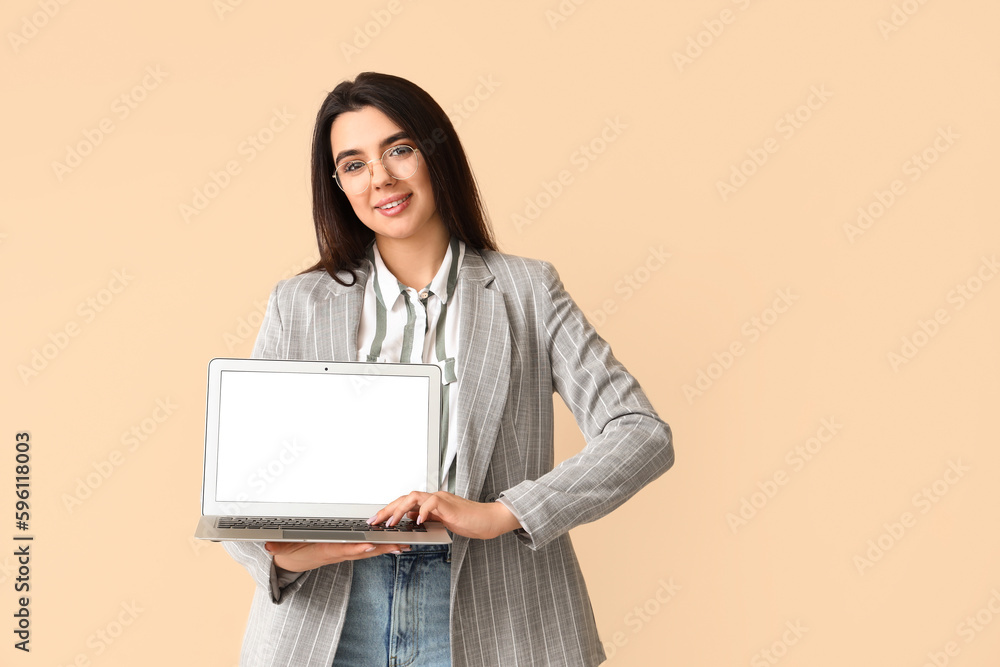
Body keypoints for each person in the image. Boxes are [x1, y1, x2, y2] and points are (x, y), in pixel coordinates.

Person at [223, 71, 674, 667]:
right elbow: (248, 486)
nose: (380, 177)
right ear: (337, 185)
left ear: (437, 154)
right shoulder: (300, 303)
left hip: (499, 612)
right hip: (332, 615)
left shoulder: (527, 291)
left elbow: (640, 433)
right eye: (353, 164)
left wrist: (502, 512)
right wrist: (292, 555)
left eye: (399, 150)